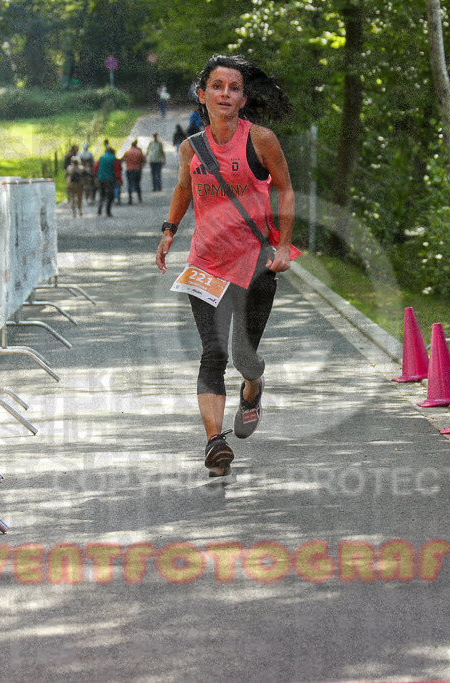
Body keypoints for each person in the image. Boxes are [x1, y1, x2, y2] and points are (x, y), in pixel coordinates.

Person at [155, 54, 297, 478]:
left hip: (255, 262)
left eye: (233, 88)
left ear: (242, 98)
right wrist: (169, 231)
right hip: (205, 264)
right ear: (203, 95)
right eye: (217, 86)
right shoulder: (190, 148)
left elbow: (286, 191)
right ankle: (214, 443)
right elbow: (184, 188)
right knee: (212, 354)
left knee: (244, 357)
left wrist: (284, 247)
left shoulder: (262, 140)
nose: (225, 94)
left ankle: (252, 388)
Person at [122, 139, 146, 204]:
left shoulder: (127, 152)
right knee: (137, 184)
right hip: (137, 169)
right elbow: (144, 160)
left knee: (129, 183)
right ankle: (139, 198)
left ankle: (130, 199)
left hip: (129, 169)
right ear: (136, 145)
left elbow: (122, 159)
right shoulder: (139, 152)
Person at [96, 145, 117, 217]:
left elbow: (96, 167)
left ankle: (100, 207)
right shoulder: (114, 158)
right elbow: (117, 170)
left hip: (101, 179)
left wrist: (97, 176)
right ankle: (108, 211)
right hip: (110, 179)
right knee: (110, 195)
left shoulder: (101, 158)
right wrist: (119, 179)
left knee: (102, 194)